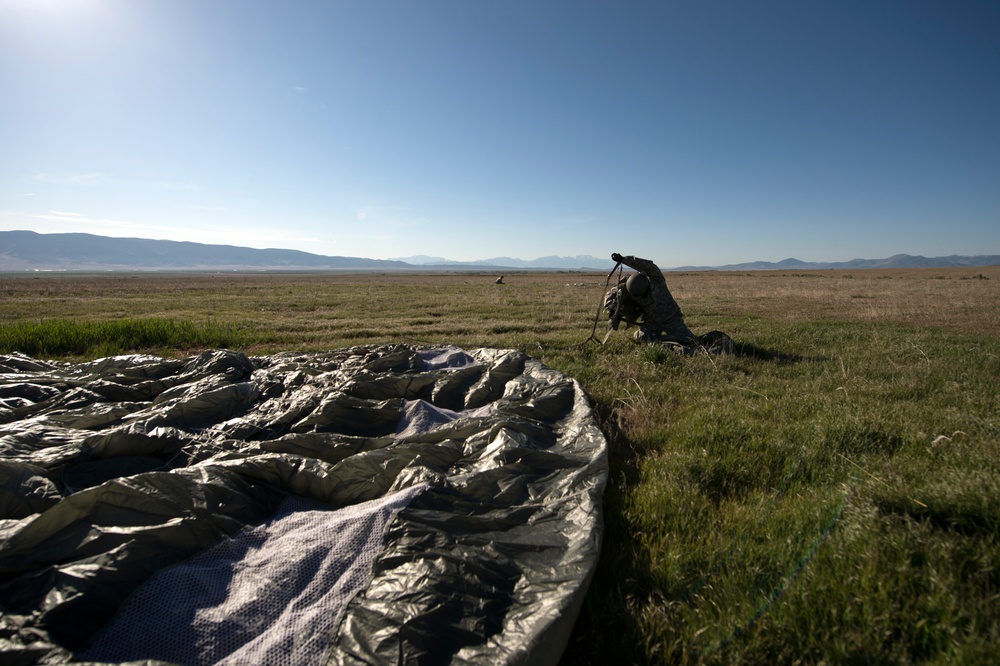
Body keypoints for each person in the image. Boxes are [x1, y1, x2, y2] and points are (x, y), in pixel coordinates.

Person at [605, 252, 734, 354]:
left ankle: (673, 341)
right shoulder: (627, 286)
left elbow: (648, 265)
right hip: (651, 321)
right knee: (644, 339)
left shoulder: (656, 279)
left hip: (671, 318)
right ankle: (664, 341)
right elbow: (610, 296)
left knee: (690, 342)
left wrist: (625, 259)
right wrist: (611, 310)